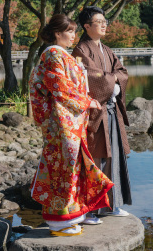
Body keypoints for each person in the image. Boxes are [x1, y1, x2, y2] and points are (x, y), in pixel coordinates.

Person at [30, 14, 112, 236]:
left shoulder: (61, 54)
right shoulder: (53, 54)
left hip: (70, 120)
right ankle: (59, 221)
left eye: (74, 31)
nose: (74, 36)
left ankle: (74, 214)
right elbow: (60, 87)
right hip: (61, 122)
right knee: (62, 168)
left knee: (73, 166)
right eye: (69, 31)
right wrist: (86, 101)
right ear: (57, 33)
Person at [73, 6, 132, 217]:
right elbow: (89, 76)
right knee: (96, 157)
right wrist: (112, 80)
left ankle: (112, 205)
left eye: (105, 21)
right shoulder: (81, 50)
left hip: (112, 110)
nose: (104, 25)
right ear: (86, 26)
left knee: (114, 155)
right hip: (96, 113)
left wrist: (113, 79)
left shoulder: (106, 49)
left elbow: (122, 71)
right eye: (99, 22)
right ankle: (93, 208)